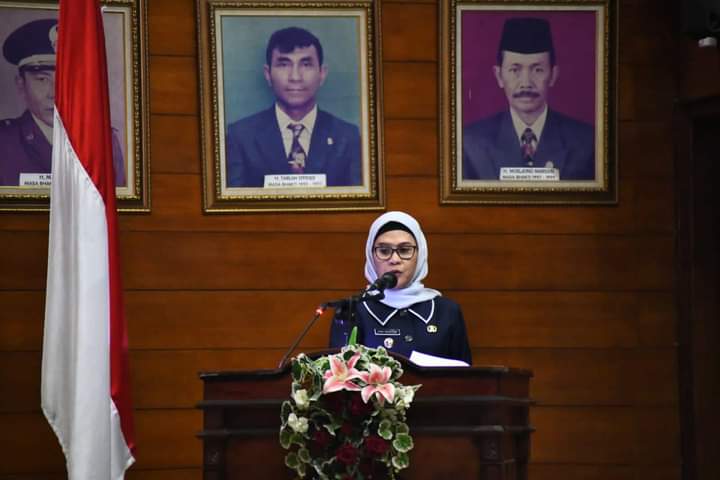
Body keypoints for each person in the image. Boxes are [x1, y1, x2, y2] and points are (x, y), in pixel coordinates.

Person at [329, 211, 472, 364]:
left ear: (420, 254)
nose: (395, 259)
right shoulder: (352, 311)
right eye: (384, 251)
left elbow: (464, 374)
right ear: (370, 256)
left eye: (404, 250)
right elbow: (339, 373)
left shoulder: (446, 311)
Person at [225, 26, 362, 188]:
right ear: (268, 74)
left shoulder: (347, 136)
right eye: (284, 64)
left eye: (306, 64)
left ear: (322, 74)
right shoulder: (240, 136)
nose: (295, 77)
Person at [462, 17, 595, 181]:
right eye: (514, 70)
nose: (526, 83)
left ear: (553, 75)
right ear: (499, 76)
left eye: (537, 70)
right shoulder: (470, 144)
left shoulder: (586, 143)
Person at [0, 18, 125, 187]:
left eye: (65, 80)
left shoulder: (104, 141)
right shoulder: (4, 141)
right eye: (42, 79)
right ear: (21, 85)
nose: (54, 94)